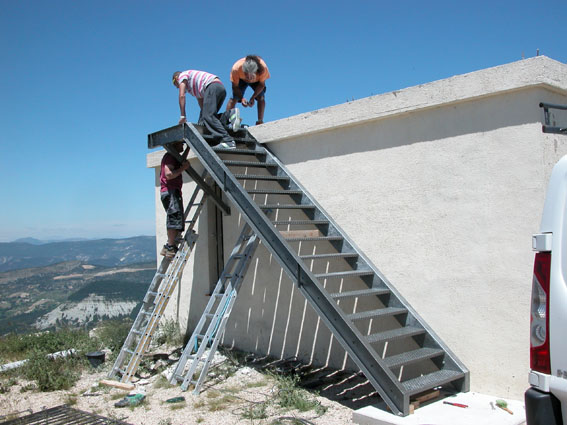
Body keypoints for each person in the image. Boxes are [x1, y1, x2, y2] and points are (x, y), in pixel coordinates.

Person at [172, 69, 241, 149]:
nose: (177, 87)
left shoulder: (182, 76)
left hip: (212, 86)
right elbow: (200, 101)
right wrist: (204, 117)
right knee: (209, 117)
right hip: (219, 88)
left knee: (208, 116)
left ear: (176, 78)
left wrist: (183, 116)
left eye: (175, 84)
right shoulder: (193, 87)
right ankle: (229, 116)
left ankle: (227, 141)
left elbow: (182, 96)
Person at [160, 141, 190, 257]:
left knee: (175, 217)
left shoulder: (172, 157)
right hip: (171, 191)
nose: (182, 146)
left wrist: (188, 148)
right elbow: (168, 174)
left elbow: (181, 160)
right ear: (175, 145)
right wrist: (183, 168)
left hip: (170, 191)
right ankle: (170, 246)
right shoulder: (170, 157)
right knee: (174, 217)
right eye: (181, 144)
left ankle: (169, 245)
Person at [226, 55, 270, 125]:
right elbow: (235, 87)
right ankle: (227, 121)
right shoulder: (236, 68)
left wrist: (253, 97)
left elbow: (261, 85)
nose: (249, 79)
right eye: (247, 76)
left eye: (251, 77)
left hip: (257, 81)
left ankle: (260, 121)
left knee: (261, 97)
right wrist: (242, 98)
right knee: (233, 99)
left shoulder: (263, 68)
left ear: (256, 71)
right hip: (241, 80)